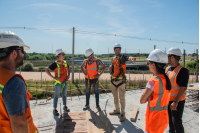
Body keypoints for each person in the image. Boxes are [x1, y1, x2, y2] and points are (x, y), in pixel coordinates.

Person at [0, 31, 38, 133]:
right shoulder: (14, 83)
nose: (23, 54)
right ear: (14, 53)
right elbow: (19, 125)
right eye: (22, 50)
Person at [140, 49, 171, 133]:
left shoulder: (153, 81)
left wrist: (147, 97)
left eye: (148, 63)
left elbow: (142, 101)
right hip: (163, 118)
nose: (148, 65)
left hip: (154, 120)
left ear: (153, 64)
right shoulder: (166, 79)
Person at [109, 43, 136, 122]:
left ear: (120, 50)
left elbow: (128, 58)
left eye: (118, 49)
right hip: (113, 80)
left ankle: (123, 114)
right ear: (114, 51)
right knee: (115, 97)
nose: (117, 51)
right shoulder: (113, 58)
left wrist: (132, 58)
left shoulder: (123, 57)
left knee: (122, 98)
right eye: (116, 50)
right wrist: (110, 67)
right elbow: (113, 66)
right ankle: (117, 109)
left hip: (121, 81)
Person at [166, 47, 189, 133]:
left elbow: (183, 88)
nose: (167, 58)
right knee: (170, 122)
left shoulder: (182, 71)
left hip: (177, 102)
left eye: (168, 56)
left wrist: (175, 102)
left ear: (172, 57)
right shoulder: (167, 69)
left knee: (177, 122)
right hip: (168, 100)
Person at [45, 49, 70, 116]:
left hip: (65, 81)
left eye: (64, 54)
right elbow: (47, 70)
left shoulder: (65, 62)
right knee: (56, 95)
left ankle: (65, 106)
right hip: (58, 82)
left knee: (64, 94)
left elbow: (68, 69)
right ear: (59, 55)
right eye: (63, 54)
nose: (64, 55)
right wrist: (53, 77)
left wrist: (68, 75)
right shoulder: (55, 63)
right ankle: (55, 110)